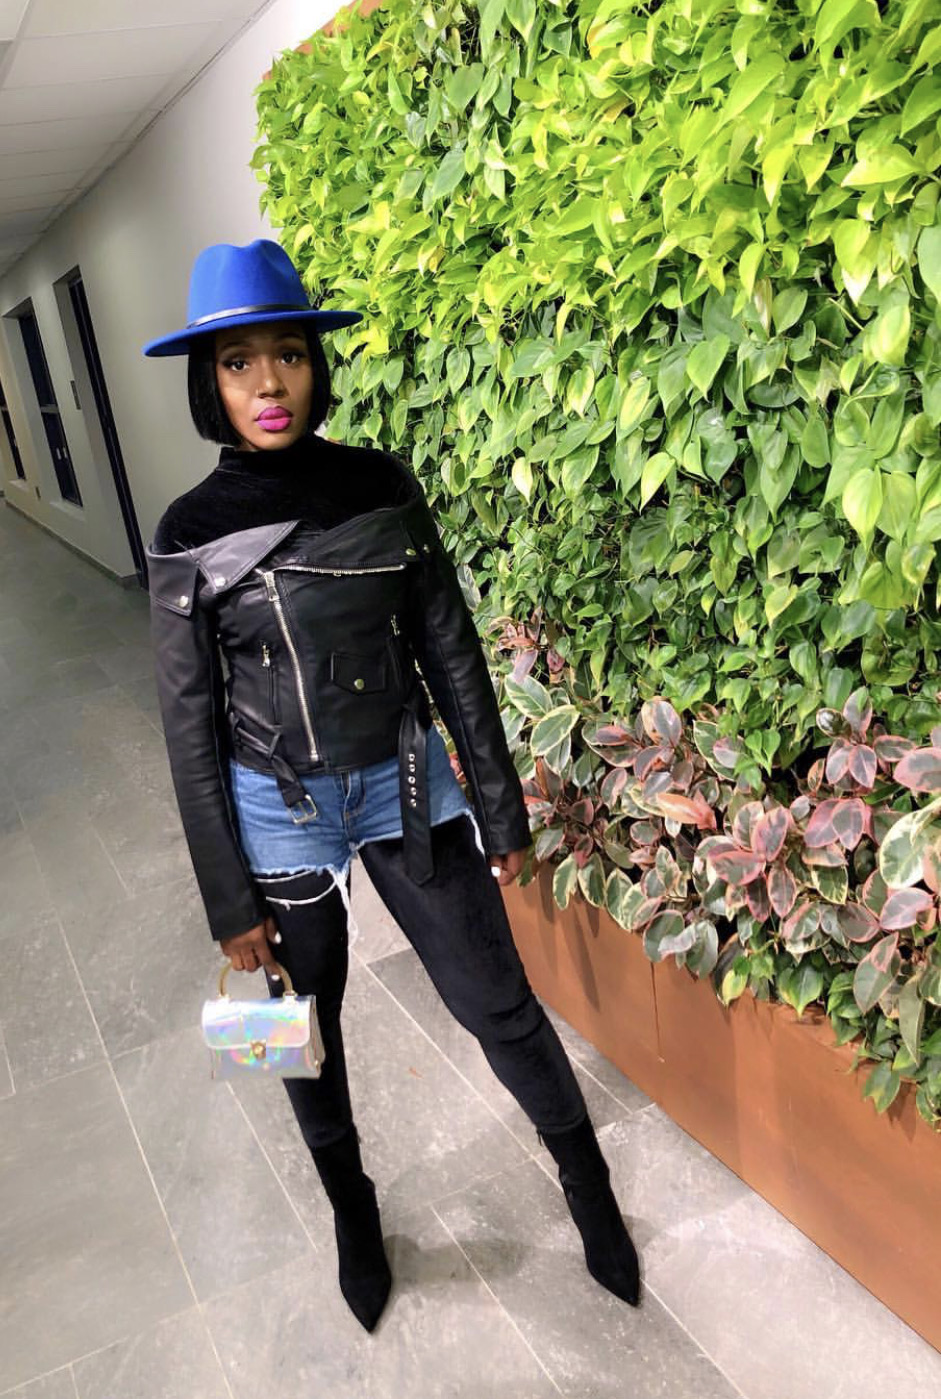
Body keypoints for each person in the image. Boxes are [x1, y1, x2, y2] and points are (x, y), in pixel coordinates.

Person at [143, 239, 640, 1331]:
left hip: (402, 781)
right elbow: (187, 727)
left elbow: (448, 649)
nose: (268, 383)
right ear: (209, 382)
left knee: (495, 997)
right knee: (293, 1029)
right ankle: (351, 1211)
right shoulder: (186, 531)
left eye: (288, 354)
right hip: (271, 807)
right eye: (237, 363)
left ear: (316, 364)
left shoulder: (379, 483)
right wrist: (226, 899)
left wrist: (500, 806)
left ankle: (586, 1180)